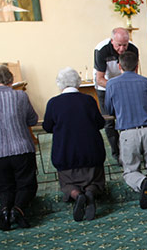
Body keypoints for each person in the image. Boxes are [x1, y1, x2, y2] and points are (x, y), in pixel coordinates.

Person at [0, 65, 39, 230]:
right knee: (26, 184)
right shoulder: (20, 96)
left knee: (4, 187)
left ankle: (5, 210)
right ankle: (18, 210)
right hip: (21, 149)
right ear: (10, 79)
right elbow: (32, 120)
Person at [104, 51, 147, 209]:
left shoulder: (112, 84)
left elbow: (108, 108)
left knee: (130, 170)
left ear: (119, 66)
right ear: (137, 65)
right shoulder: (146, 82)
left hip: (128, 132)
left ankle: (142, 182)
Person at [43, 68, 106, 221]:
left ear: (60, 84)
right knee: (94, 181)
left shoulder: (53, 103)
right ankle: (90, 192)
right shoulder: (89, 100)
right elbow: (100, 123)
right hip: (91, 153)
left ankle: (76, 195)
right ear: (78, 83)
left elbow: (47, 127)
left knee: (68, 183)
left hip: (66, 154)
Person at [94, 27, 139, 164]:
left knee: (128, 117)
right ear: (112, 41)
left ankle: (130, 150)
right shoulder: (101, 50)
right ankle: (116, 153)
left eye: (125, 45)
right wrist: (118, 87)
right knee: (109, 121)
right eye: (119, 45)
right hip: (105, 87)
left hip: (123, 84)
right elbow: (99, 79)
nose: (122, 49)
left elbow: (134, 73)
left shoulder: (133, 49)